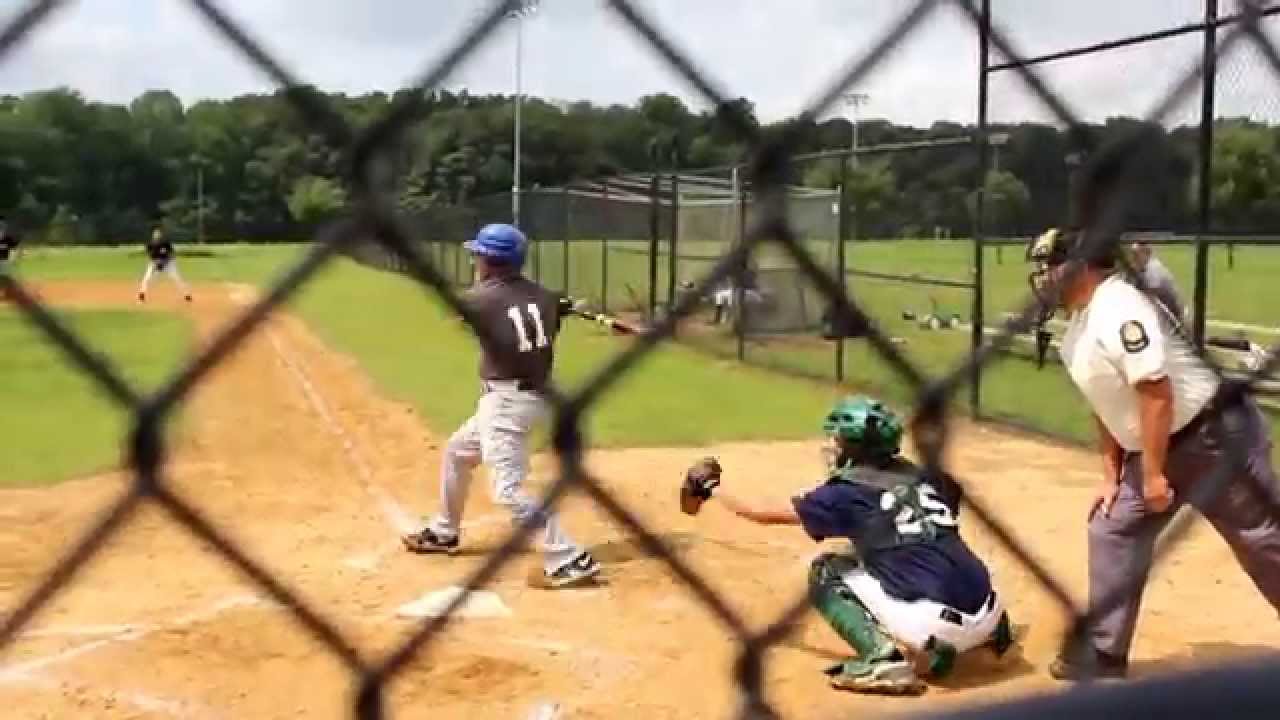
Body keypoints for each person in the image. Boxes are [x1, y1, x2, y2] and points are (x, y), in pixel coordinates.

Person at [1027, 225, 1280, 681]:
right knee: (1112, 526)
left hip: (1214, 436)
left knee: (1261, 539)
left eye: (1050, 267)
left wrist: (1155, 476)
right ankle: (1104, 652)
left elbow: (1155, 391)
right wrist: (1112, 475)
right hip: (1158, 444)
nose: (1043, 279)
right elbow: (1106, 404)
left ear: (1081, 265)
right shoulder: (1079, 327)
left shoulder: (1119, 305)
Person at [680, 396, 1014, 695]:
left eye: (837, 439)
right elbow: (950, 501)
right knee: (927, 550)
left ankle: (881, 659)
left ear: (853, 448)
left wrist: (711, 487)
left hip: (936, 626)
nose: (831, 444)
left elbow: (758, 512)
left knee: (827, 570)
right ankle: (988, 634)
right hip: (990, 612)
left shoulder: (845, 493)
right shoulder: (924, 476)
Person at [401, 223, 602, 588]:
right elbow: (535, 311)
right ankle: (444, 531)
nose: (475, 260)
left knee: (507, 490)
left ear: (492, 260)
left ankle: (569, 557)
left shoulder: (481, 298)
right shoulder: (545, 296)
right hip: (535, 396)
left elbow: (462, 316)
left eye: (479, 254)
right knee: (459, 453)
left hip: (507, 402)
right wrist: (562, 306)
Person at [1127, 237, 1186, 325]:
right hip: (1166, 314)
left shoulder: (1153, 269)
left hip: (1175, 318)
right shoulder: (1143, 269)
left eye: (1136, 255)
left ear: (1147, 254)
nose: (1133, 258)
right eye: (1133, 254)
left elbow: (1149, 297)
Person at [138, 227, 192, 303]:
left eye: (158, 234)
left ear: (161, 235)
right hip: (155, 263)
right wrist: (156, 263)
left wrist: (164, 262)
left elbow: (172, 254)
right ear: (153, 235)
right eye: (155, 234)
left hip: (168, 263)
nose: (157, 235)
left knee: (177, 278)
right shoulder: (150, 244)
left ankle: (187, 295)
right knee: (147, 278)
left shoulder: (165, 243)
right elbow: (150, 255)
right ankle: (142, 295)